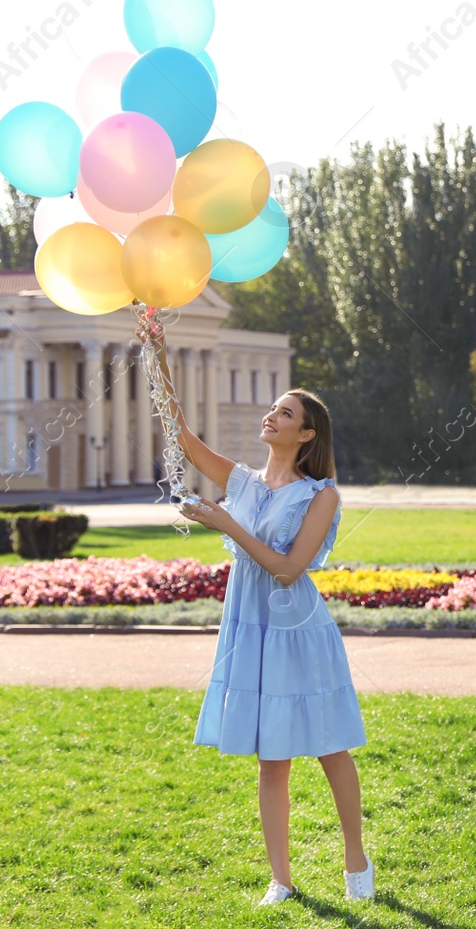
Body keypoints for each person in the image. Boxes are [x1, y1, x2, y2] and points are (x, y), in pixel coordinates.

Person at [143, 321, 371, 907]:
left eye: (285, 413)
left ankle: (356, 862)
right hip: (252, 628)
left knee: (328, 746)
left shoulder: (321, 495)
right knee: (272, 759)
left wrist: (224, 522)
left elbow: (290, 568)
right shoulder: (240, 480)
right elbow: (181, 433)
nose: (271, 416)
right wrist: (158, 353)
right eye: (272, 409)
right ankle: (282, 880)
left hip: (299, 629)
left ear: (307, 432)